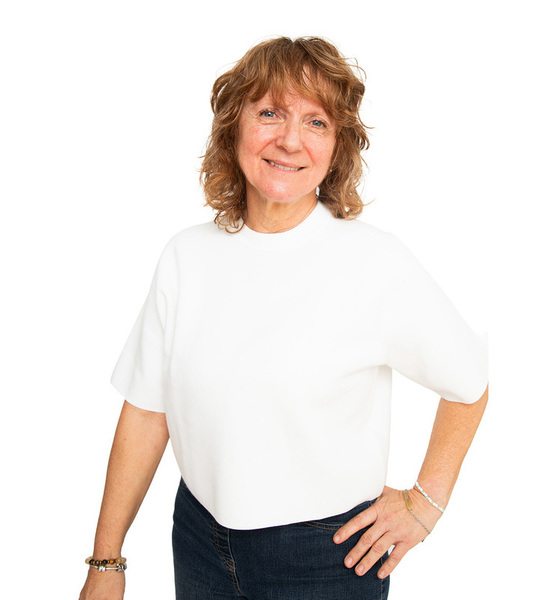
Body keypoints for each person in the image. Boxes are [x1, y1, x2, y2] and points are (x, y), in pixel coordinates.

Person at [79, 36, 488, 600]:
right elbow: (148, 412)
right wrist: (106, 561)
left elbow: (469, 384)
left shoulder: (375, 263)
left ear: (337, 147)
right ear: (234, 126)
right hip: (198, 540)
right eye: (270, 112)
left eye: (316, 122)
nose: (290, 140)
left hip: (325, 559)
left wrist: (425, 504)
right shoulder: (186, 257)